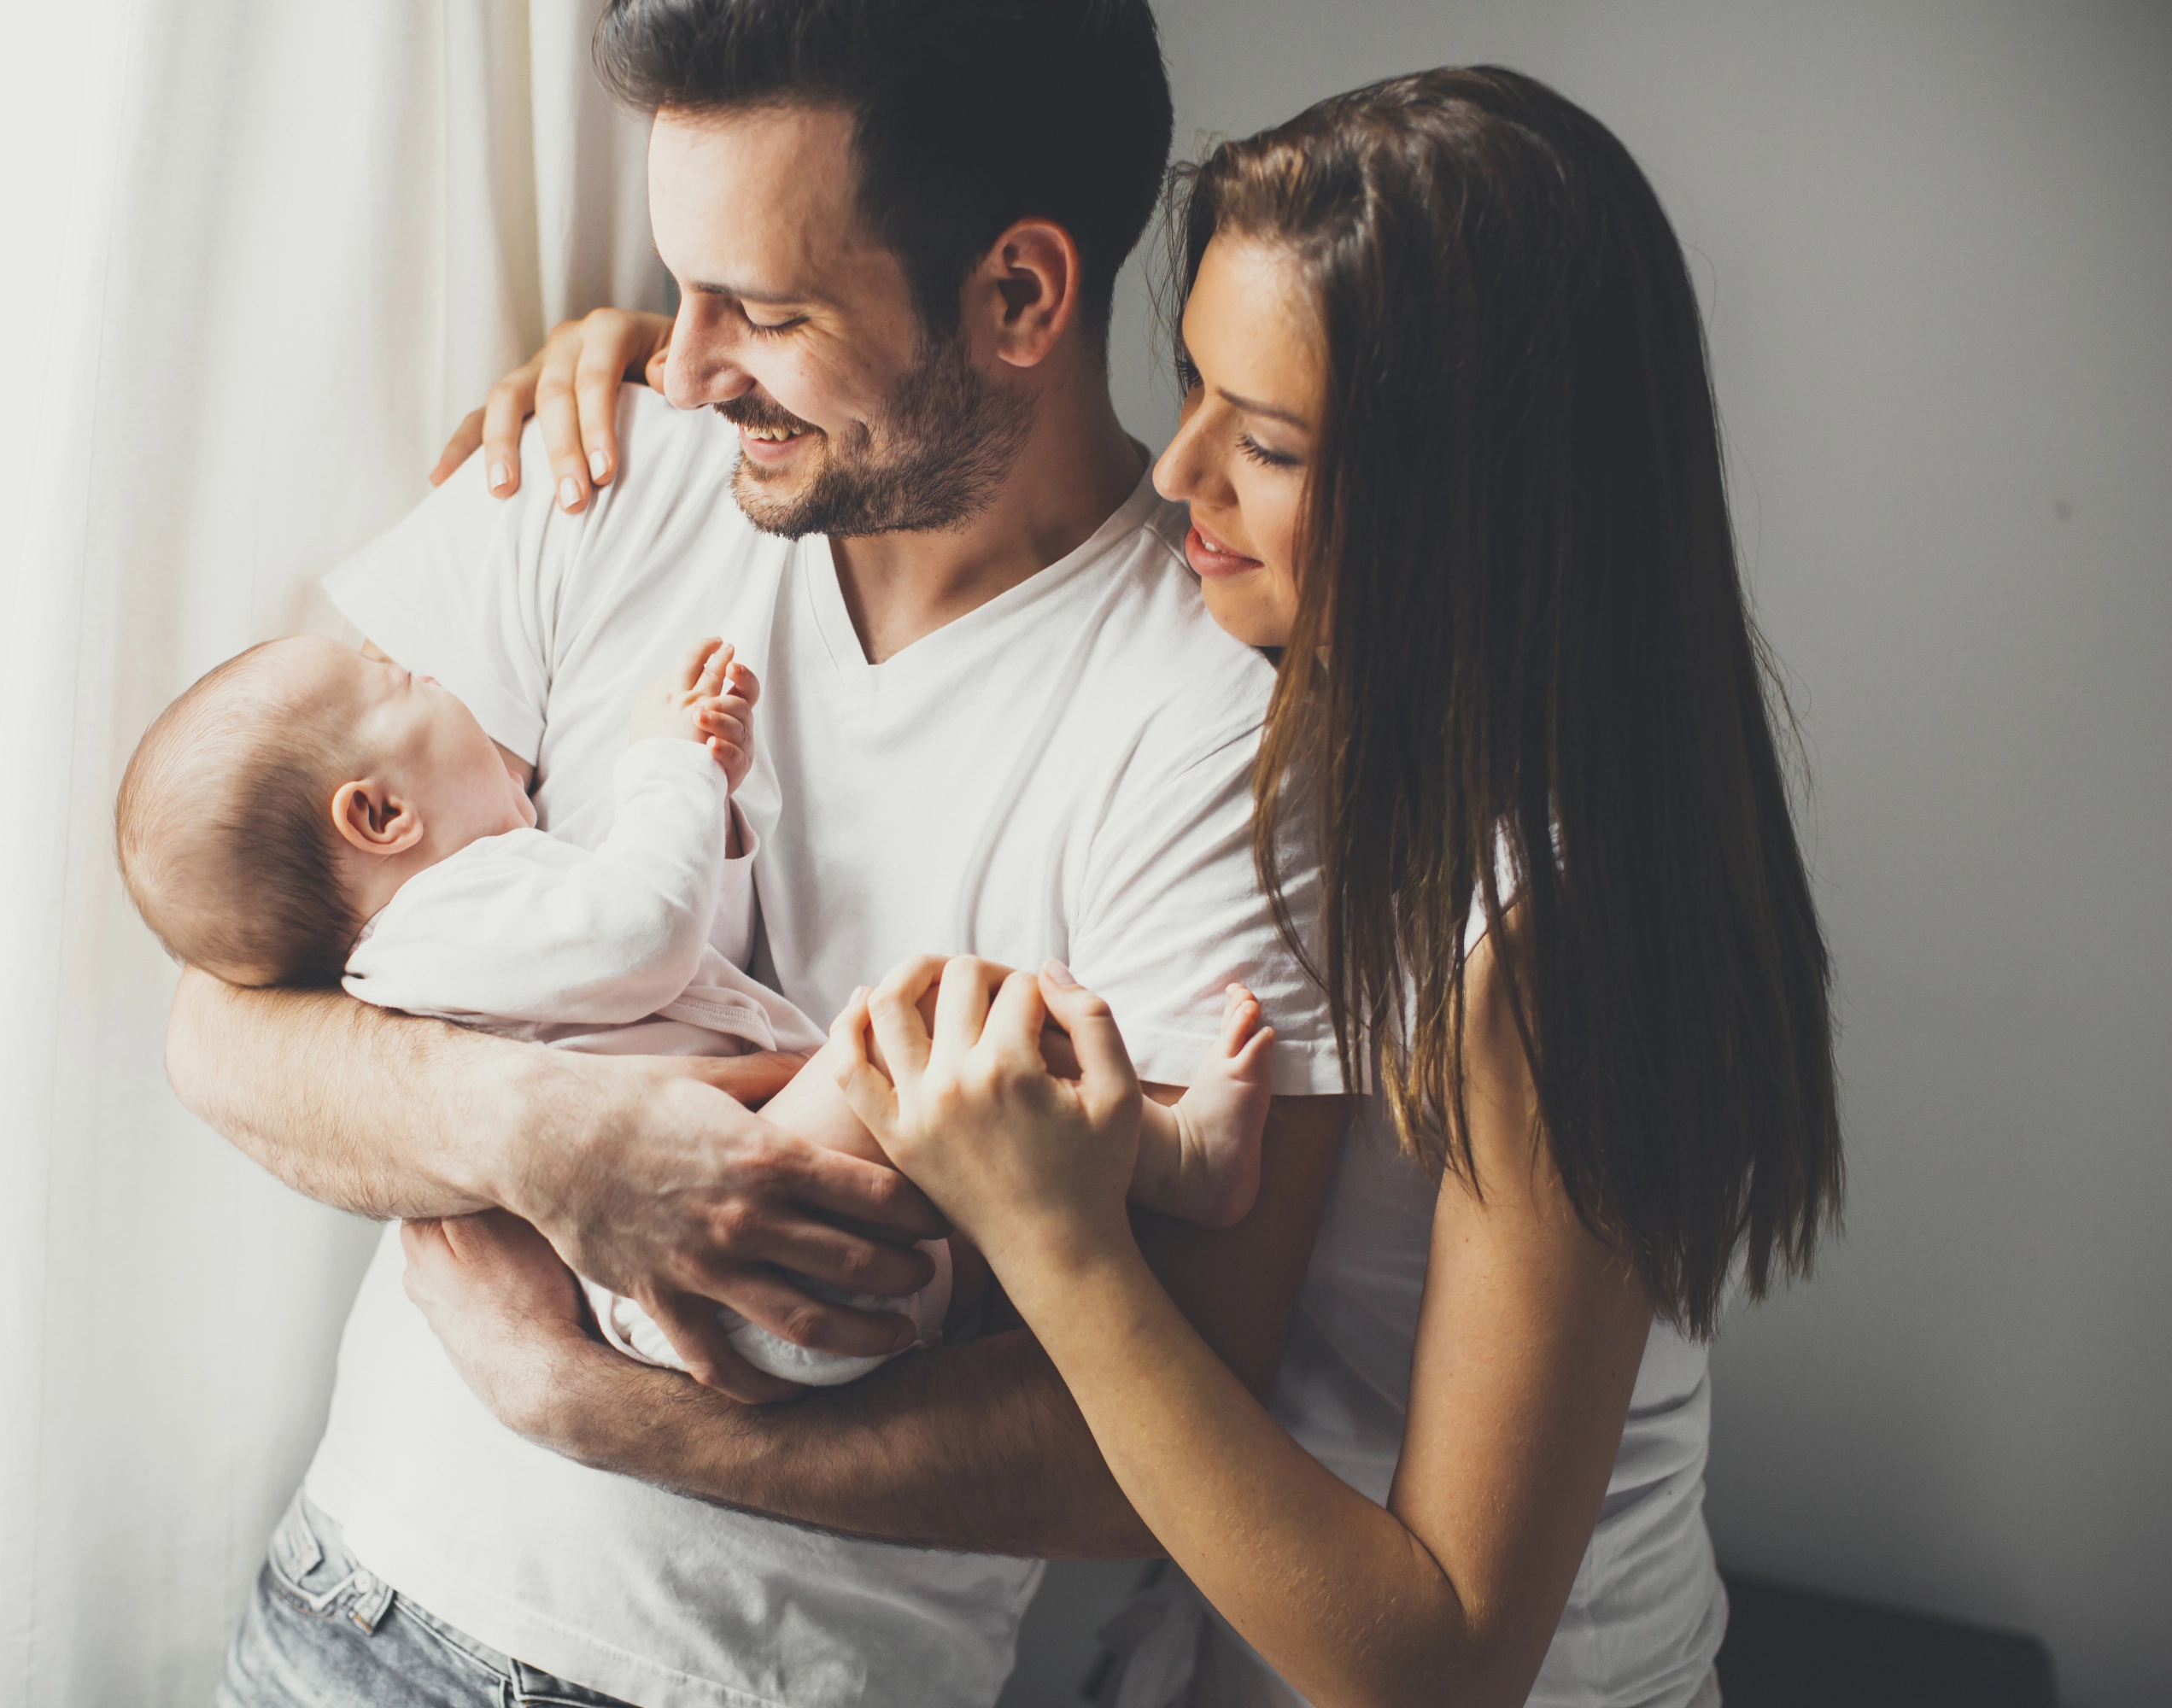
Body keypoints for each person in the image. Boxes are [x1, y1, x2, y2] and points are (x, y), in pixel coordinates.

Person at [403, 65, 1842, 1708]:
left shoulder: (1564, 942)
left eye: (1272, 444)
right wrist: (694, 362)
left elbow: (1439, 1664)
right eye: (1196, 393)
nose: (1180, 475)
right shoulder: (1339, 733)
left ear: (1477, 499)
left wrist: (1047, 1239)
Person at [173, 4, 1354, 1705]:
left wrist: (606, 1413)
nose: (681, 359)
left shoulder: (1217, 731)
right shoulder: (598, 469)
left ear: (1020, 296)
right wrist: (546, 1134)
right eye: (683, 285)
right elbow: (219, 1021)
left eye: (766, 311)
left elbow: (1166, 1455)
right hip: (350, 1616)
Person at [115, 633, 1276, 1385]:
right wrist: (663, 768)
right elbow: (641, 935)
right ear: (378, 818)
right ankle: (1177, 1161)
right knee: (917, 1020)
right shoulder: (440, 923)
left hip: (752, 1270)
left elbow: (685, 963)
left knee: (958, 1111)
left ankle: (1140, 1177)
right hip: (739, 1261)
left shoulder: (475, 930)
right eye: (402, 680)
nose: (435, 673)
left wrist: (711, 805)